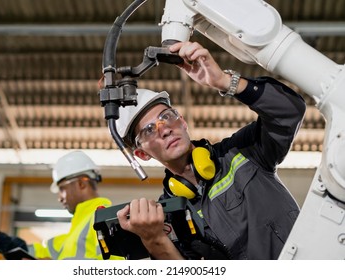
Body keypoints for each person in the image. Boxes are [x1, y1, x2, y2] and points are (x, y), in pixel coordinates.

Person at [115, 41, 306, 260]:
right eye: (149, 130)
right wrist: (155, 241)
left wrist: (224, 81)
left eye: (166, 117)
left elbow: (290, 111)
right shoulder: (167, 219)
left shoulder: (242, 152)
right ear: (142, 154)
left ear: (183, 122)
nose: (165, 130)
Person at [0, 150, 123, 260]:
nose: (59, 197)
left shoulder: (105, 219)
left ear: (82, 183)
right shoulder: (70, 237)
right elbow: (31, 253)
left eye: (62, 188)